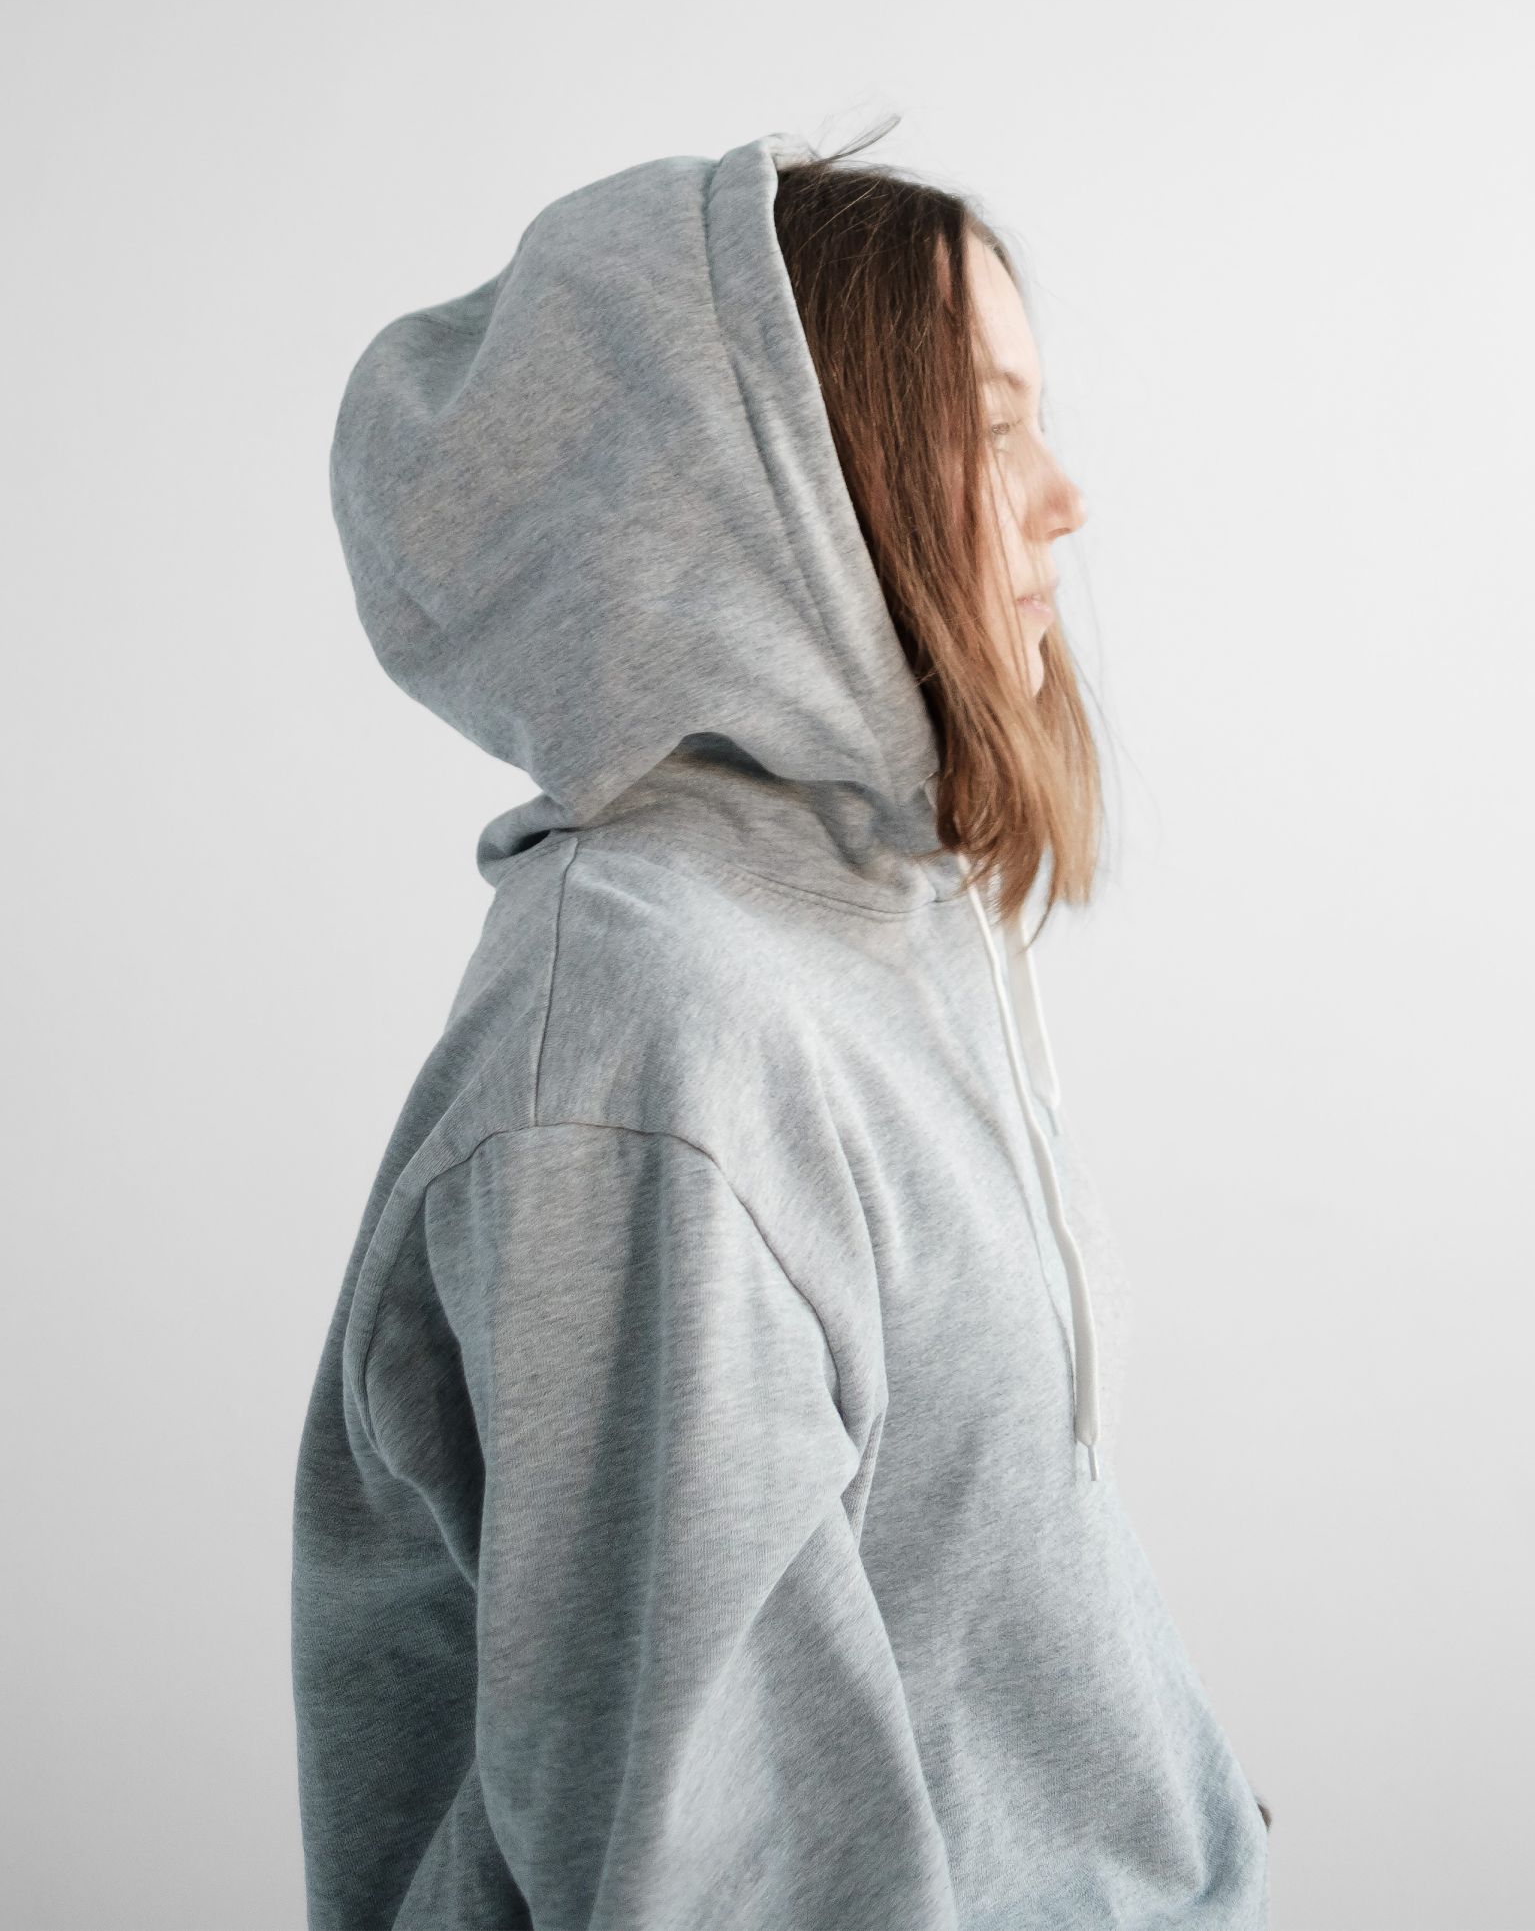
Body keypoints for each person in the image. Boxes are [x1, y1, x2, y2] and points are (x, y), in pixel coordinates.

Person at [291, 124, 1274, 1929]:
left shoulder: (859, 929)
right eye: (989, 426)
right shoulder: (650, 1047)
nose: (1064, 495)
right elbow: (716, 1877)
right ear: (787, 495)